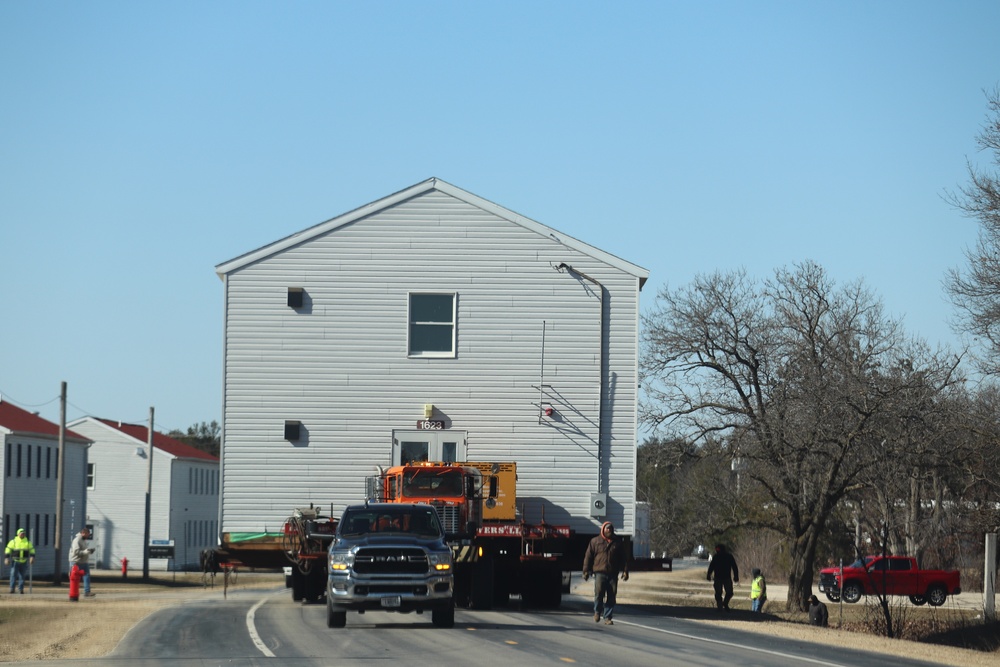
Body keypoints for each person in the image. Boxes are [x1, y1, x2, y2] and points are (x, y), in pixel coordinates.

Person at [582, 521, 629, 625]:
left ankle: (607, 617)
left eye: (611, 528)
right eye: (607, 528)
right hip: (600, 572)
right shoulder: (595, 541)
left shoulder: (618, 542)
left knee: (612, 595)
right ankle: (597, 612)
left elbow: (623, 558)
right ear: (603, 529)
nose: (609, 530)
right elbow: (588, 557)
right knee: (599, 593)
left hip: (613, 573)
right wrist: (585, 571)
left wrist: (625, 571)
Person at [706, 543, 739, 611]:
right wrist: (708, 574)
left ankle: (725, 603)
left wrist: (736, 576)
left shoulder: (728, 556)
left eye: (717, 549)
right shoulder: (717, 556)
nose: (717, 550)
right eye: (716, 549)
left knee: (729, 592)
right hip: (718, 578)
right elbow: (711, 567)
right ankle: (720, 605)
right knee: (719, 593)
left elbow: (734, 567)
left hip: (726, 578)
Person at [5, 528, 36, 594]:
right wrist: (6, 558)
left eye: (23, 533)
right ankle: (12, 588)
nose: (22, 534)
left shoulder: (27, 542)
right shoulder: (13, 541)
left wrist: (32, 557)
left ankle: (20, 589)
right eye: (21, 533)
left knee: (22, 576)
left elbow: (32, 550)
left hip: (24, 561)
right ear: (18, 533)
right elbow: (8, 549)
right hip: (15, 561)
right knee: (13, 575)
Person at [69, 527, 96, 597]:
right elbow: (76, 552)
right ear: (83, 533)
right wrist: (85, 552)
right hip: (76, 561)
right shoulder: (77, 540)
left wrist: (89, 551)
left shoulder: (83, 540)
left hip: (83, 561)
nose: (88, 536)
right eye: (87, 534)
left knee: (87, 575)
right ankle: (73, 593)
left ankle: (87, 592)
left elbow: (84, 550)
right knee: (74, 577)